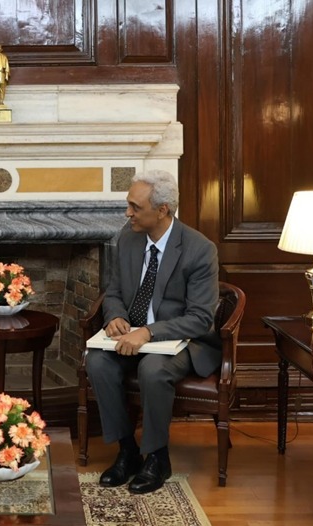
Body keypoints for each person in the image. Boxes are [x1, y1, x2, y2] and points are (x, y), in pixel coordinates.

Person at [85, 170, 221, 494]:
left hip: (181, 342)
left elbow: (201, 318)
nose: (127, 213)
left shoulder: (200, 249)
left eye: (134, 206)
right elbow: (114, 290)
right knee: (97, 362)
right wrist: (114, 317)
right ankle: (128, 452)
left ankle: (158, 457)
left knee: (153, 368)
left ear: (162, 210)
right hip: (130, 335)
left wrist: (147, 332)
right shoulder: (128, 238)